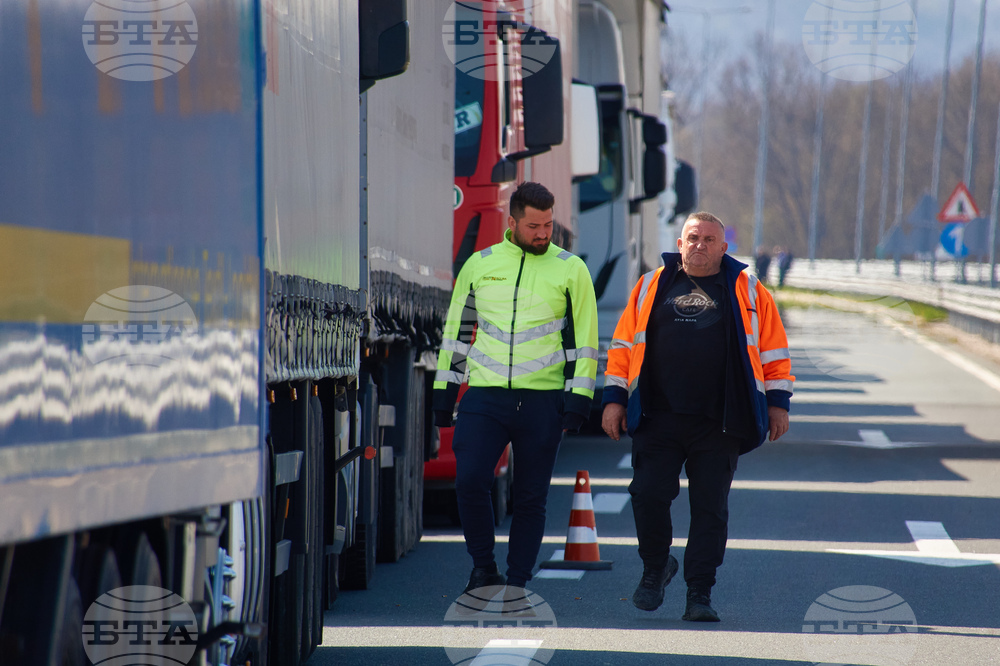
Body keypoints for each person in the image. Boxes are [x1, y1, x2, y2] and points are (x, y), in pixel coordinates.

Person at [602, 212, 793, 622]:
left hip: (719, 420)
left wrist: (778, 404)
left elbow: (774, 350)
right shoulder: (652, 284)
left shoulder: (748, 289)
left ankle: (699, 592)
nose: (700, 245)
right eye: (693, 237)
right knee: (647, 495)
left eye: (709, 239)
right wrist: (615, 400)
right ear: (680, 241)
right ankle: (656, 568)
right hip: (658, 416)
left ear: (725, 248)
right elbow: (621, 347)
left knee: (710, 509)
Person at [434, 181, 599, 596]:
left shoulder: (570, 269)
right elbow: (457, 333)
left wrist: (579, 399)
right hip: (486, 396)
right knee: (470, 481)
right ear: (512, 222)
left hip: (542, 402)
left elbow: (586, 340)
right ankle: (484, 568)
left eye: (548, 224)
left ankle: (518, 581)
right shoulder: (479, 264)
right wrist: (443, 394)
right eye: (534, 226)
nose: (543, 233)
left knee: (530, 498)